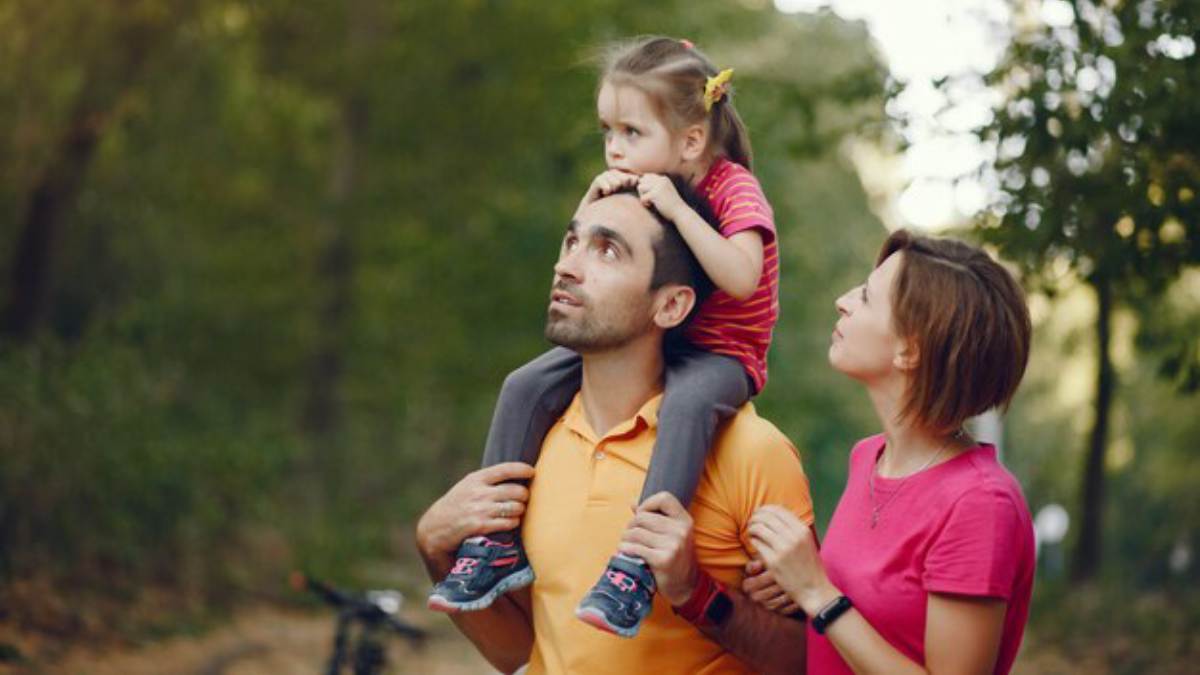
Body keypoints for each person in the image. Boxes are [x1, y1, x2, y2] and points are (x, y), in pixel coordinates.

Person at [428, 34, 782, 640]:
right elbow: (592, 258)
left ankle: (637, 566)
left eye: (631, 133)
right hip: (661, 338)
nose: (615, 149)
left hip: (722, 354)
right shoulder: (646, 179)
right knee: (524, 383)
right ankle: (493, 544)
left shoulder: (729, 188)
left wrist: (675, 208)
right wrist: (595, 203)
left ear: (691, 139)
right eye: (607, 132)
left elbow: (743, 279)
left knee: (689, 403)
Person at [416, 186, 812, 674]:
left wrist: (693, 590)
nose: (568, 267)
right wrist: (436, 550)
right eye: (571, 243)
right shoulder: (534, 443)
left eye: (607, 251)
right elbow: (519, 653)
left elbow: (810, 660)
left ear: (670, 306)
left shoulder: (752, 451)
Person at [745, 229, 1036, 674]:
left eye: (865, 296)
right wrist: (792, 585)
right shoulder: (869, 458)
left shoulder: (980, 503)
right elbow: (864, 623)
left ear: (910, 348)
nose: (842, 300)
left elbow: (832, 603)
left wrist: (817, 592)